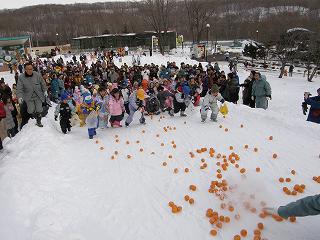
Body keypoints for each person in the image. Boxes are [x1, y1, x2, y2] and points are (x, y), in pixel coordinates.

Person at [17, 62, 47, 127]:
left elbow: (43, 83)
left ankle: (38, 121)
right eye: (28, 69)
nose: (30, 70)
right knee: (30, 110)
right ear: (25, 69)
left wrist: (45, 91)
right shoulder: (21, 77)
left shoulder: (37, 75)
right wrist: (20, 97)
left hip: (38, 95)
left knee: (39, 109)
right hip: (28, 97)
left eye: (31, 69)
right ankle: (34, 115)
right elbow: (19, 88)